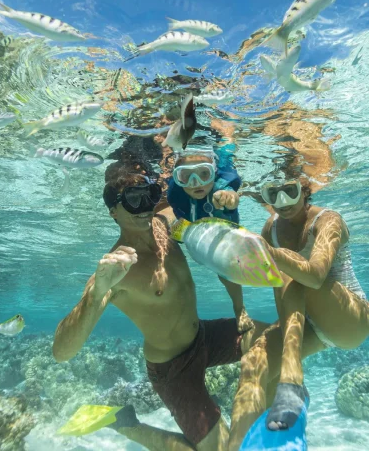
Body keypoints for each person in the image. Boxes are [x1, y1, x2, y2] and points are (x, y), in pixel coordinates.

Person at [53, 162, 273, 451]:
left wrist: (231, 192)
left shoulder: (162, 225)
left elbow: (200, 197)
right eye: (134, 200)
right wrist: (96, 295)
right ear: (113, 212)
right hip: (172, 369)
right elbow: (61, 352)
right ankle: (125, 423)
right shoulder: (113, 272)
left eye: (150, 194)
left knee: (284, 337)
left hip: (204, 337)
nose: (145, 207)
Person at [243, 177, 369, 433]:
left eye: (290, 190)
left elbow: (315, 275)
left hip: (349, 320)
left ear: (305, 190)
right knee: (257, 361)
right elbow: (279, 290)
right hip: (309, 325)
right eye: (273, 193)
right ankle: (276, 433)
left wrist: (273, 254)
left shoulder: (328, 220)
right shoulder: (272, 228)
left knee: (291, 262)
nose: (282, 201)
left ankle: (292, 375)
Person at [167, 146, 254, 336]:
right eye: (185, 176)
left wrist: (229, 198)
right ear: (177, 178)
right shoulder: (176, 192)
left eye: (203, 174)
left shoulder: (220, 187)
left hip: (221, 233)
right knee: (167, 239)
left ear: (213, 173)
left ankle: (239, 309)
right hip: (191, 226)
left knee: (226, 272)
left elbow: (231, 196)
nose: (195, 182)